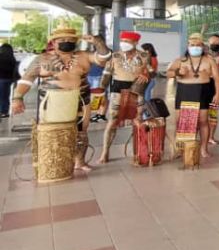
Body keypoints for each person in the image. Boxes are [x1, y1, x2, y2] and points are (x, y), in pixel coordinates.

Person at [12, 27, 111, 173]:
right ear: (54, 42)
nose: (67, 42)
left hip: (80, 100)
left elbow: (104, 58)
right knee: (52, 133)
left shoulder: (84, 56)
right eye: (62, 40)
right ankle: (51, 162)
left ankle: (80, 161)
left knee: (81, 132)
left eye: (71, 40)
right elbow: (26, 80)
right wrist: (17, 98)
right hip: (52, 101)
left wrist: (98, 42)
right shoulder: (42, 59)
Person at [97, 30, 152, 164]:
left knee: (137, 120)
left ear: (135, 43)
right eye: (123, 41)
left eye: (127, 42)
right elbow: (106, 74)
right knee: (112, 122)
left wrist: (147, 75)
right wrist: (100, 91)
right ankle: (105, 152)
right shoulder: (115, 56)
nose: (124, 44)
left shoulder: (144, 55)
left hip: (136, 90)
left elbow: (150, 71)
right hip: (117, 91)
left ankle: (140, 151)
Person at [165, 32, 219, 160]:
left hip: (202, 91)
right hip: (184, 91)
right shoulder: (180, 60)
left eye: (198, 45)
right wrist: (177, 72)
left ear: (202, 46)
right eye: (192, 45)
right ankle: (181, 148)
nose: (195, 47)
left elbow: (218, 79)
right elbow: (168, 73)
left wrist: (218, 94)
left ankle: (203, 148)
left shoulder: (209, 60)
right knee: (181, 122)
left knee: (203, 121)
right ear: (188, 45)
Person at [0, 43, 17, 118]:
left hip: (1, 78)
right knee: (5, 96)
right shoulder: (12, 58)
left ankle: (3, 111)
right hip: (9, 79)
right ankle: (4, 112)